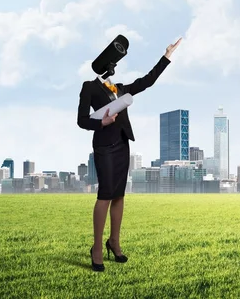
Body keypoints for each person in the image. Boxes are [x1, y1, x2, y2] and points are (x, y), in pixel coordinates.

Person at [77, 38, 181, 271]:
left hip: (122, 145)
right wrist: (102, 122)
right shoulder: (89, 87)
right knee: (104, 195)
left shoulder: (121, 89)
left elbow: (147, 81)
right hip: (104, 147)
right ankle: (96, 248)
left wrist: (166, 57)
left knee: (119, 195)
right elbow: (81, 120)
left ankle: (114, 242)